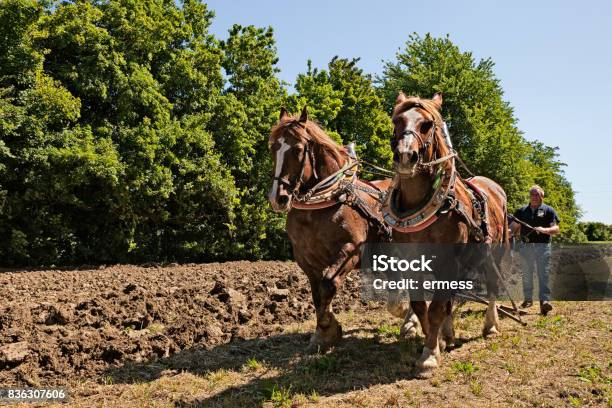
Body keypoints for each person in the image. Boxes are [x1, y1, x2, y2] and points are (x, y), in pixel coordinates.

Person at [510, 185, 560, 315]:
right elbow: (513, 227)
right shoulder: (521, 211)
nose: (534, 197)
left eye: (537, 194)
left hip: (543, 247)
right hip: (526, 247)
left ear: (542, 196)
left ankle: (544, 301)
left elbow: (555, 229)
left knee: (543, 274)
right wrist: (507, 233)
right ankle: (528, 299)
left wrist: (544, 230)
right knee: (527, 274)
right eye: (532, 194)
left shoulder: (549, 210)